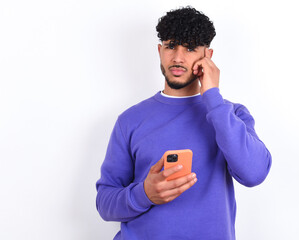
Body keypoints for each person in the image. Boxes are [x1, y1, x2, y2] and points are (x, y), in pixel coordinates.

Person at [96, 6, 272, 240]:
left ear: (207, 56)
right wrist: (144, 194)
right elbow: (105, 203)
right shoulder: (130, 120)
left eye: (190, 48)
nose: (178, 58)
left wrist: (213, 97)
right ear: (160, 50)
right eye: (171, 46)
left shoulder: (231, 114)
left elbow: (254, 173)